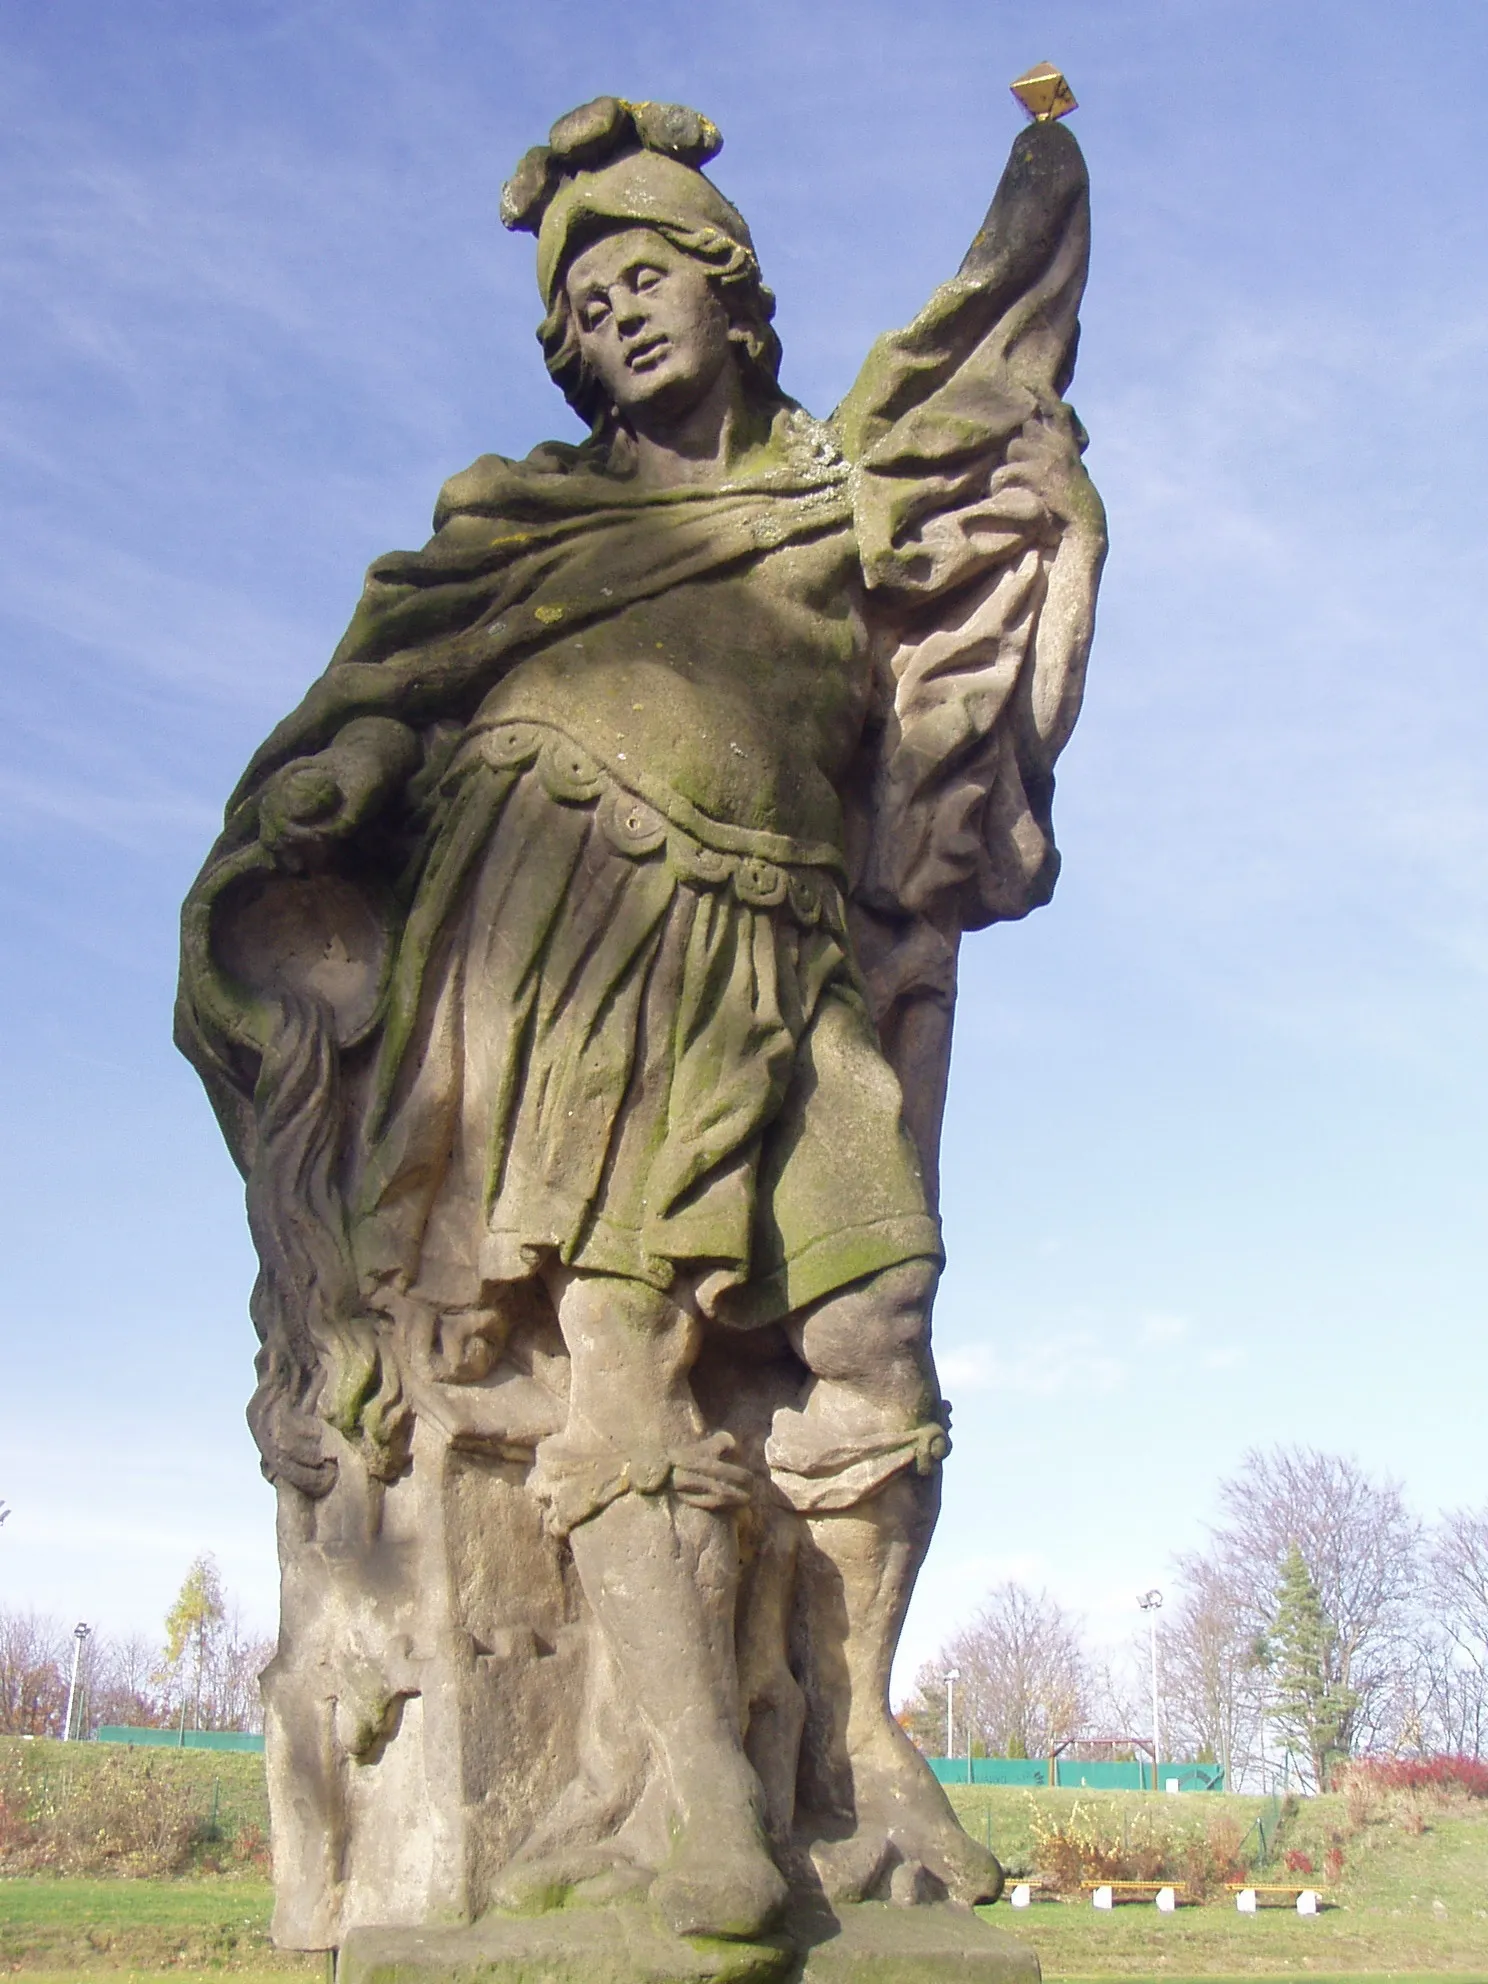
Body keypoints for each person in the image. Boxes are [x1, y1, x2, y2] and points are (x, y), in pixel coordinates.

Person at [179, 94, 1104, 1944]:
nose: (615, 315)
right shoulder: (520, 525)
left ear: (730, 292)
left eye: (645, 275)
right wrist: (350, 763)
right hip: (565, 936)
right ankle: (701, 1804)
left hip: (782, 950)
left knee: (876, 1319)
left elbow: (992, 390)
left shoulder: (836, 498)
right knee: (622, 1346)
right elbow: (397, 692)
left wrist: (1038, 239)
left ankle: (849, 1724)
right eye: (582, 303)